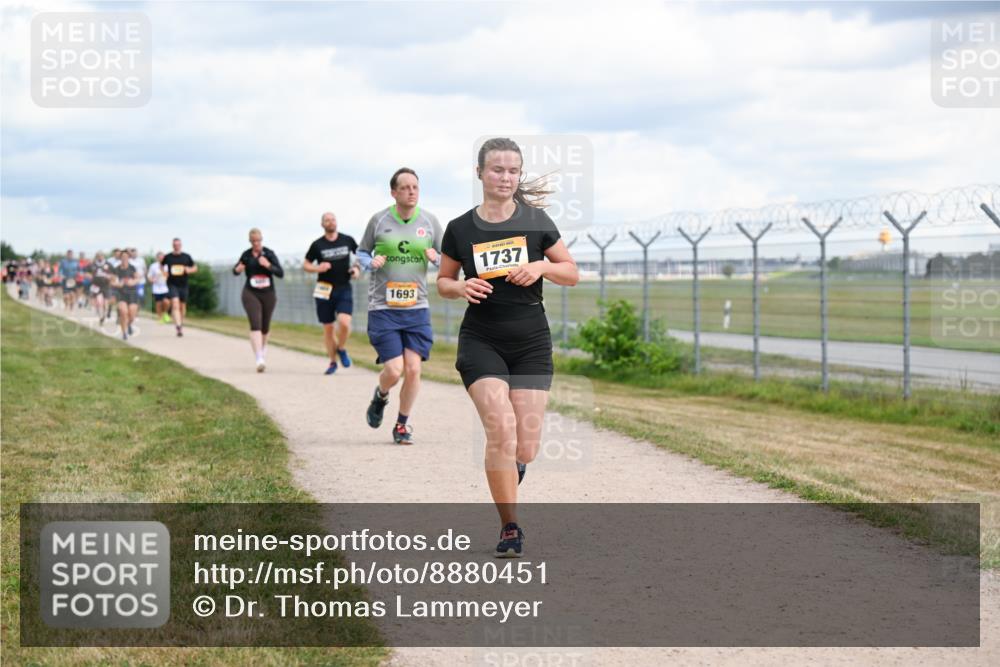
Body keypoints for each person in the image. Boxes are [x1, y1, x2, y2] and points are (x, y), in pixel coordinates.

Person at [436, 138, 578, 557]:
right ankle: (510, 526)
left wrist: (541, 267)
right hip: (482, 340)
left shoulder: (536, 221)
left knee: (525, 447)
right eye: (497, 169)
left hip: (531, 342)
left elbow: (571, 273)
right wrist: (460, 285)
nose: (505, 177)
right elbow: (443, 281)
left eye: (513, 171)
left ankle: (512, 468)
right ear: (479, 173)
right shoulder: (461, 228)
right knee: (501, 429)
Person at [357, 168, 442, 445]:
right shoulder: (379, 220)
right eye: (404, 187)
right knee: (394, 370)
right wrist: (371, 262)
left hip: (417, 308)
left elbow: (449, 258)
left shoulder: (429, 222)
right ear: (393, 192)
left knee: (414, 369)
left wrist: (436, 258)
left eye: (415, 187)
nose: (411, 192)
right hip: (384, 308)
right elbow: (361, 252)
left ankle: (402, 425)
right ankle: (380, 396)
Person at [304, 212, 359, 374]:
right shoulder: (317, 245)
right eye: (327, 220)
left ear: (336, 222)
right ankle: (332, 362)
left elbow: (361, 256)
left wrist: (356, 268)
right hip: (323, 288)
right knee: (328, 328)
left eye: (333, 219)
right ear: (323, 224)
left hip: (343, 287)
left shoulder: (347, 240)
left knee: (344, 322)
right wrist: (317, 268)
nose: (330, 222)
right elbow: (306, 264)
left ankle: (341, 348)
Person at [233, 228, 284, 372]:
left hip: (268, 293)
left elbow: (280, 273)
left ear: (262, 240)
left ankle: (262, 350)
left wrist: (267, 265)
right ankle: (259, 358)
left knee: (265, 326)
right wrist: (238, 269)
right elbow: (235, 270)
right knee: (255, 324)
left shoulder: (269, 253)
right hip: (250, 292)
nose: (256, 243)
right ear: (250, 241)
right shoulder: (246, 255)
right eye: (253, 241)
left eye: (258, 240)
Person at [162, 238, 197, 337]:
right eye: (175, 245)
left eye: (178, 245)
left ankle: (180, 323)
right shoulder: (168, 257)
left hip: (183, 284)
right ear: (172, 245)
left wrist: (189, 270)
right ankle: (178, 327)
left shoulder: (186, 257)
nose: (176, 246)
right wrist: (164, 273)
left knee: (182, 307)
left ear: (180, 245)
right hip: (172, 284)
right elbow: (162, 266)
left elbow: (195, 267)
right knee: (175, 304)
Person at [110, 248, 141, 340]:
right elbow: (112, 282)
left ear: (128, 258)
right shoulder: (116, 269)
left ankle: (129, 324)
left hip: (132, 293)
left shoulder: (132, 268)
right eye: (122, 257)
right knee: (124, 312)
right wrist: (118, 284)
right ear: (120, 258)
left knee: (132, 315)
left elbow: (138, 278)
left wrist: (133, 282)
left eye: (126, 257)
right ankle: (124, 333)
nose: (124, 258)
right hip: (121, 293)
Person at [147, 252, 171, 322]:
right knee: (158, 304)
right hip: (156, 288)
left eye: (162, 257)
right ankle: (160, 318)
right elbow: (149, 276)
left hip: (165, 287)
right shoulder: (153, 266)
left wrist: (162, 270)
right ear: (157, 258)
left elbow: (168, 275)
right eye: (159, 257)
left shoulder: (167, 265)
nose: (161, 258)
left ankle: (165, 313)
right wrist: (152, 280)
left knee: (166, 302)